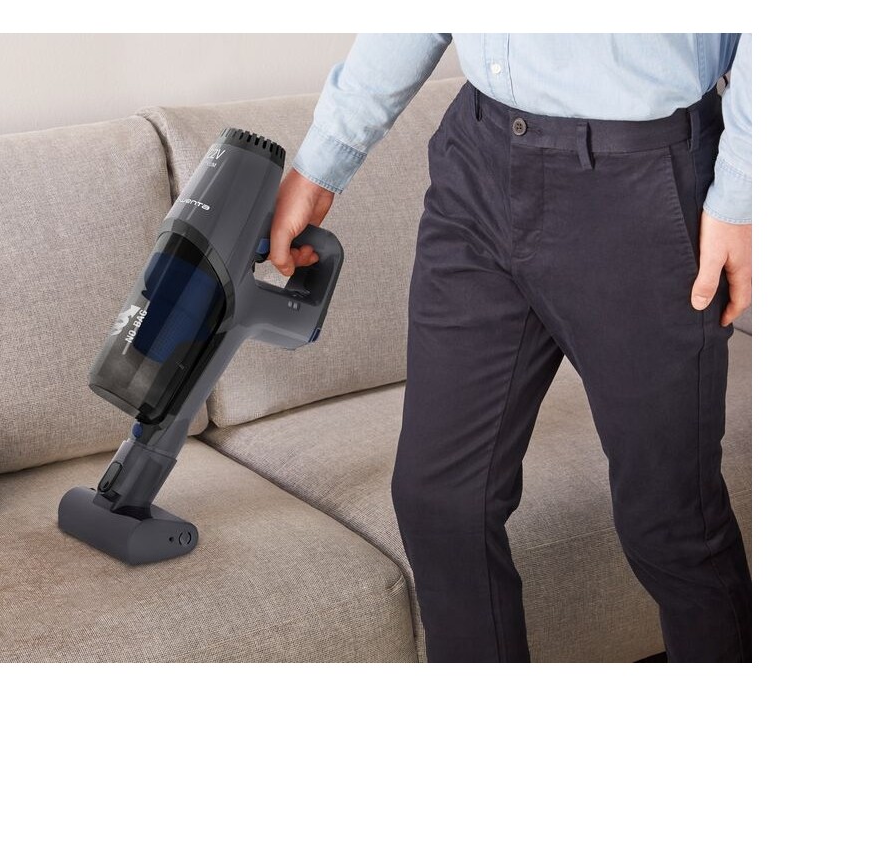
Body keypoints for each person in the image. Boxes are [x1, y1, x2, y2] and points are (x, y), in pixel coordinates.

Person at [268, 34, 752, 663]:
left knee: (671, 521)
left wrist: (740, 196)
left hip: (640, 179)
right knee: (440, 500)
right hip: (479, 164)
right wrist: (322, 161)